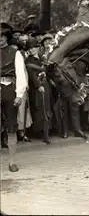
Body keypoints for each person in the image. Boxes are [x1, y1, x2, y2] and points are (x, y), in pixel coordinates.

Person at [0, 23, 29, 172]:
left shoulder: (15, 53)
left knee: (11, 128)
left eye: (2, 36)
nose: (0, 39)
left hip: (9, 91)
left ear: (6, 37)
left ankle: (12, 162)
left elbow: (21, 75)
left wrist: (19, 95)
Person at [24, 37, 51, 144]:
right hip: (37, 88)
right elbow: (32, 75)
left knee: (47, 108)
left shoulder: (42, 59)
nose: (32, 50)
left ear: (37, 48)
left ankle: (47, 131)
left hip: (46, 86)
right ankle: (43, 133)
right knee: (40, 109)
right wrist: (38, 85)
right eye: (30, 49)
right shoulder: (28, 61)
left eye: (34, 48)